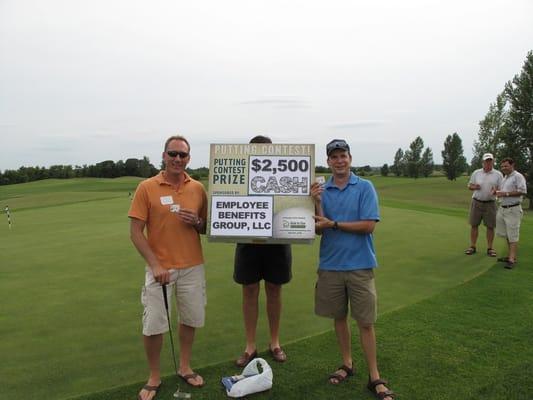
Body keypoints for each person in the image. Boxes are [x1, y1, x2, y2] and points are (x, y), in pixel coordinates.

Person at [310, 139, 395, 400]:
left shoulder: (365, 187)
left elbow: (369, 225)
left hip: (360, 265)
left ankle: (375, 376)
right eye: (334, 157)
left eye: (343, 156)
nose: (339, 161)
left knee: (365, 323)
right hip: (331, 264)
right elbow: (317, 227)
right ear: (328, 161)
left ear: (350, 158)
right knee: (339, 318)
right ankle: (347, 363)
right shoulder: (322, 190)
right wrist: (316, 202)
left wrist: (334, 223)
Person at [129, 135, 208, 400]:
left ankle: (184, 367)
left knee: (190, 319)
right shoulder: (147, 187)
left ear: (189, 159)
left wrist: (197, 221)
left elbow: (206, 227)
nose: (177, 159)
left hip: (192, 266)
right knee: (153, 325)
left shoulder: (197, 188)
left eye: (182, 155)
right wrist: (155, 265)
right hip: (160, 269)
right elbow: (136, 232)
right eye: (172, 154)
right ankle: (154, 376)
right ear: (163, 156)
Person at [234, 135, 292, 367]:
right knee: (249, 290)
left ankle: (274, 342)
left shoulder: (285, 176)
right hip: (247, 241)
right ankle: (250, 345)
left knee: (274, 289)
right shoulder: (240, 179)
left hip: (278, 239)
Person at [464, 153, 503, 257]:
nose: (488, 163)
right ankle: (472, 246)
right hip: (476, 202)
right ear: (483, 162)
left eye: (490, 161)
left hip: (490, 203)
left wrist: (496, 191)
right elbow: (469, 186)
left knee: (490, 226)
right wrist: (474, 187)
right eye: (486, 161)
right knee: (474, 225)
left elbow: (501, 189)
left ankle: (490, 248)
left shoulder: (498, 174)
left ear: (493, 162)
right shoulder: (476, 173)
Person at [494, 157, 527, 269]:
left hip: (513, 209)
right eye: (502, 166)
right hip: (502, 208)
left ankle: (512, 260)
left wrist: (505, 194)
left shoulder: (518, 176)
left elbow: (522, 191)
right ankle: (509, 256)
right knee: (507, 234)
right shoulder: (505, 178)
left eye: (506, 166)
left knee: (512, 235)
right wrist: (497, 192)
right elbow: (503, 192)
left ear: (512, 165)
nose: (504, 168)